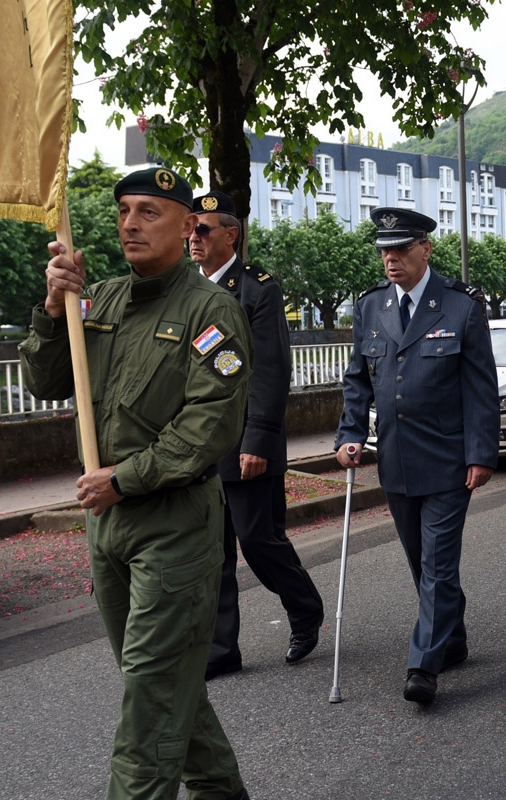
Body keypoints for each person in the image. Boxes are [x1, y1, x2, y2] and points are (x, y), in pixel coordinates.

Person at [19, 167, 252, 800]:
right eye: (124, 211)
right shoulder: (99, 301)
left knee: (150, 694)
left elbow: (212, 422)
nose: (130, 223)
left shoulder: (211, 310)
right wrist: (51, 306)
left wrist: (125, 478)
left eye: (149, 212)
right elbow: (45, 381)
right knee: (164, 684)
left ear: (188, 226)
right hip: (109, 525)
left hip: (173, 522)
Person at [334, 207, 499, 707]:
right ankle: (453, 637)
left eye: (401, 249)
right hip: (397, 462)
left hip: (449, 459)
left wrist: (481, 453)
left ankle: (422, 667)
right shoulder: (370, 308)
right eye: (385, 250)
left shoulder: (461, 307)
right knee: (421, 563)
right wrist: (349, 434)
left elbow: (480, 388)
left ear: (426, 249)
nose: (391, 259)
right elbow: (358, 379)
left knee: (438, 565)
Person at [189, 191, 325, 680]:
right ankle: (223, 649)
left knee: (257, 540)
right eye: (190, 228)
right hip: (199, 447)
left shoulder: (257, 290)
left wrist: (257, 439)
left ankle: (304, 607)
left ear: (231, 233)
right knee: (213, 550)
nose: (193, 237)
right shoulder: (185, 288)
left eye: (203, 228)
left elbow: (268, 370)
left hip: (246, 442)